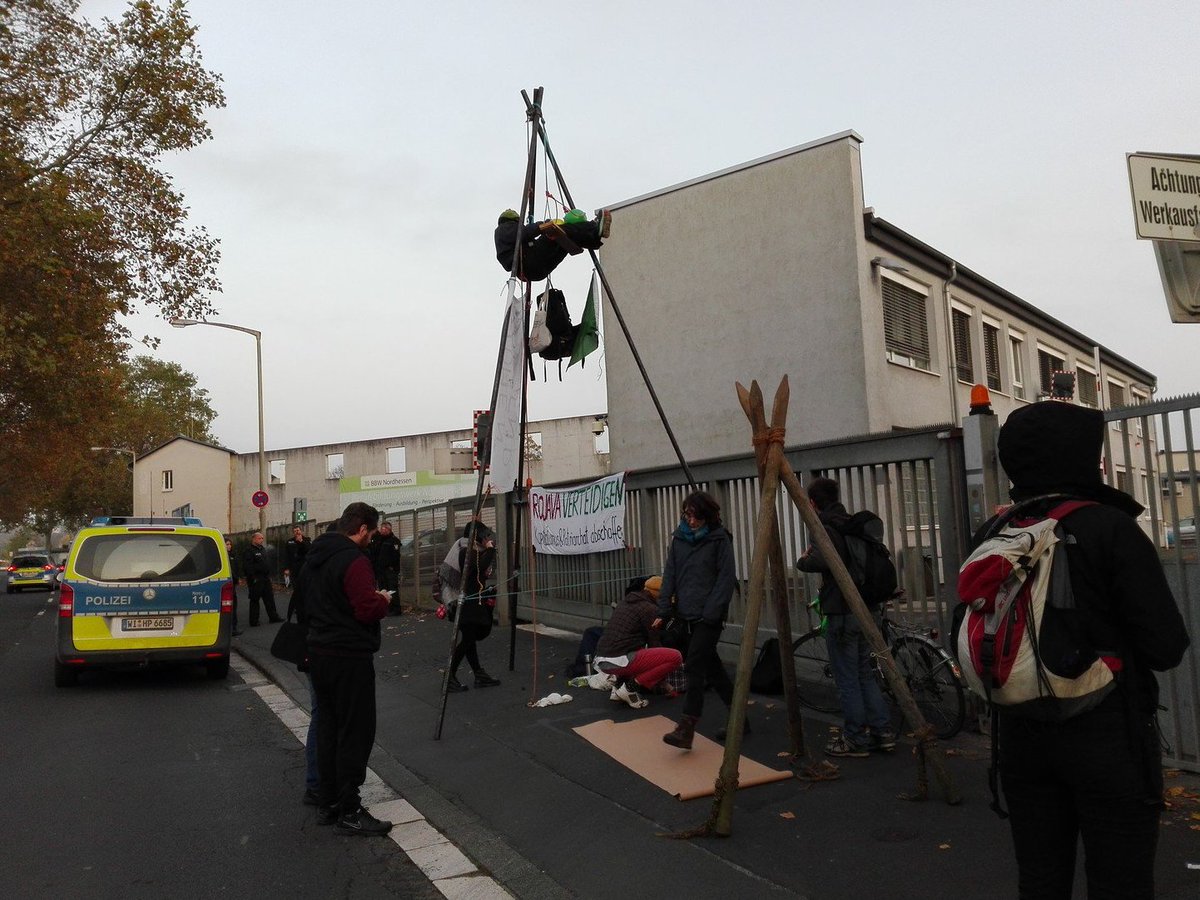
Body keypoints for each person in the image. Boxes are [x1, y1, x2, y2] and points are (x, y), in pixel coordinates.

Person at [989, 400, 1189, 899]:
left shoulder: (998, 531)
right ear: (1080, 458)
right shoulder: (1110, 528)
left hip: (1020, 733)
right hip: (1107, 736)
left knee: (1040, 877)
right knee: (1119, 878)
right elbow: (1165, 646)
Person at [305, 502, 394, 837]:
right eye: (370, 533)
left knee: (328, 728)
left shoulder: (315, 556)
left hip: (318, 651)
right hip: (348, 656)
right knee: (355, 731)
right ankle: (350, 809)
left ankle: (327, 803)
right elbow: (365, 607)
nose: (370, 539)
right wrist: (382, 600)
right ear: (361, 529)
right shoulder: (354, 560)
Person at [796, 476, 895, 758]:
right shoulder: (852, 522)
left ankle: (855, 739)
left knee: (847, 677)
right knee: (865, 673)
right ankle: (882, 732)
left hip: (841, 611)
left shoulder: (823, 527)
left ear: (812, 503)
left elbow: (822, 560)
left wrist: (803, 560)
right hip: (867, 608)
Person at [654, 490, 739, 749]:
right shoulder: (679, 539)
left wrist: (711, 613)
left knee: (694, 666)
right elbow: (669, 575)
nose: (691, 521)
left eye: (696, 517)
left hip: (708, 617)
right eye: (688, 515)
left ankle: (686, 727)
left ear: (707, 516)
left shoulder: (719, 540)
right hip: (685, 614)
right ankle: (740, 719)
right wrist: (663, 609)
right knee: (713, 669)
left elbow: (725, 579)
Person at [595, 575, 683, 708]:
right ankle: (629, 688)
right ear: (659, 596)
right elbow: (655, 645)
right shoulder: (650, 609)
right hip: (619, 660)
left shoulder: (627, 601)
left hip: (602, 660)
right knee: (675, 657)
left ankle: (617, 688)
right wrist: (665, 684)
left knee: (639, 652)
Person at [442, 522, 502, 693]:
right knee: (468, 640)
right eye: (485, 536)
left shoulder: (474, 551)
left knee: (470, 640)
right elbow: (479, 567)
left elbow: (478, 574)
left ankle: (479, 674)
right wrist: (490, 549)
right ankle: (449, 678)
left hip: (472, 602)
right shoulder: (465, 552)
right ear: (477, 536)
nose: (488, 539)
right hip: (466, 604)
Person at [493, 207, 610, 282]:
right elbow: (523, 232)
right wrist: (542, 225)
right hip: (530, 262)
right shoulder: (505, 228)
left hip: (535, 270)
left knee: (562, 239)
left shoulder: (506, 238)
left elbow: (525, 235)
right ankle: (593, 229)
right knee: (561, 230)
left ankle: (594, 235)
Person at [242, 532, 282, 626]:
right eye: (260, 538)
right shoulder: (249, 551)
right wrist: (253, 578)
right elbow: (248, 566)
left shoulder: (262, 549)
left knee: (269, 598)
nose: (262, 540)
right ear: (254, 539)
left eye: (262, 538)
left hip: (265, 578)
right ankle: (254, 621)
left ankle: (273, 617)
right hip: (256, 579)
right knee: (255, 600)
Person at [370, 521, 402, 615]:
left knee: (392, 589)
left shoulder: (393, 541)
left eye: (384, 529)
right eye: (382, 528)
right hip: (380, 570)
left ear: (389, 529)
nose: (382, 530)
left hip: (390, 570)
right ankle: (387, 608)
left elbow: (396, 556)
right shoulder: (379, 540)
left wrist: (393, 567)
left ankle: (396, 609)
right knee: (383, 589)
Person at [224, 536, 243, 636]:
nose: (229, 546)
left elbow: (236, 567)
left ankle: (234, 627)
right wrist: (236, 578)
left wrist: (238, 577)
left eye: (230, 544)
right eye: (227, 544)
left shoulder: (233, 555)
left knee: (234, 605)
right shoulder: (224, 557)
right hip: (228, 583)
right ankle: (231, 629)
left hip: (233, 583)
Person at [283, 526, 310, 590]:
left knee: (305, 585)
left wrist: (301, 541)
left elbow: (309, 550)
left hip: (304, 566)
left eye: (298, 530)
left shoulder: (307, 540)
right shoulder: (289, 542)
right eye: (295, 531)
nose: (297, 532)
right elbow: (286, 555)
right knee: (296, 586)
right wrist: (286, 568)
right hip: (294, 567)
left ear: (301, 531)